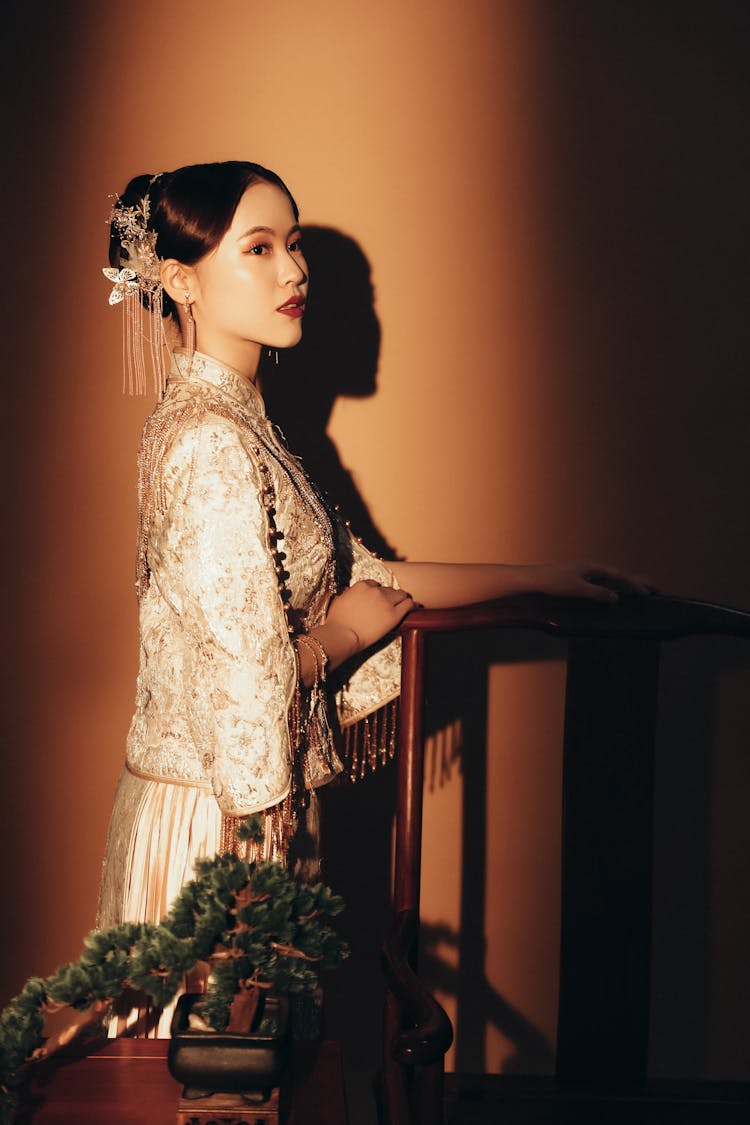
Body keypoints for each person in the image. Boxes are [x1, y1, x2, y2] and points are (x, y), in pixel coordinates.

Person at [96, 161, 652, 1032]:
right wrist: (337, 642)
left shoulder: (239, 425)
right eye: (261, 247)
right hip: (226, 825)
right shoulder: (210, 443)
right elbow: (252, 688)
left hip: (238, 807)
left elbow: (369, 574)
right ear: (178, 279)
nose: (295, 271)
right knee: (218, 1075)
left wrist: (548, 577)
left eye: (297, 245)